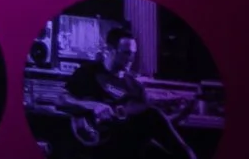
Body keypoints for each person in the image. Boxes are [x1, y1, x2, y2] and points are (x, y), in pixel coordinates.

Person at [59, 27, 192, 159]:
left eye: (134, 53)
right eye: (126, 53)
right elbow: (62, 100)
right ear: (110, 51)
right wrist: (93, 106)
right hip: (96, 142)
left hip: (126, 145)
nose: (131, 58)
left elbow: (153, 125)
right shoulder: (88, 72)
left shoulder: (135, 87)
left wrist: (182, 113)